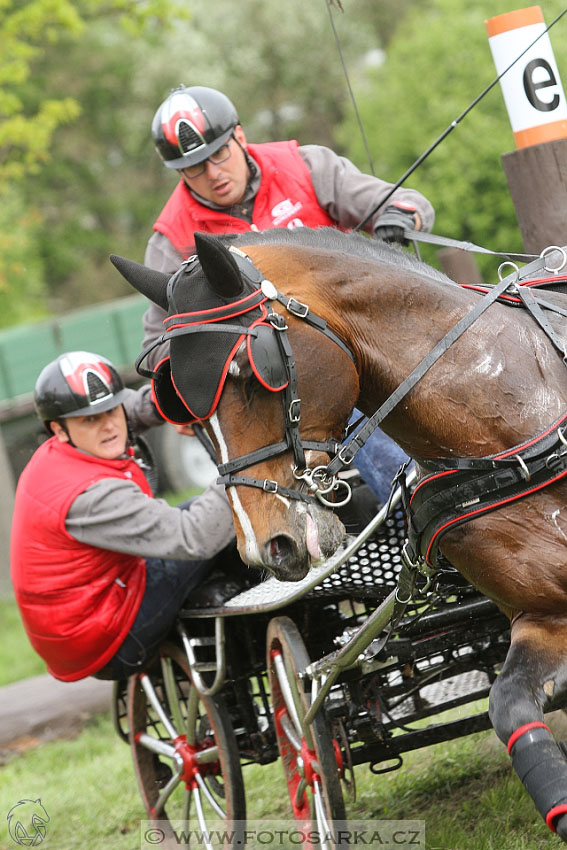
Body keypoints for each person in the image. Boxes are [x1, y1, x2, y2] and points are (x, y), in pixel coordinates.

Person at [142, 85, 428, 504]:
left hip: (371, 338)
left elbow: (403, 202)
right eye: (195, 168)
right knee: (371, 440)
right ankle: (421, 511)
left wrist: (397, 218)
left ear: (239, 136)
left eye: (219, 155)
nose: (213, 174)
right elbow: (156, 348)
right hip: (294, 388)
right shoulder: (172, 242)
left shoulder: (305, 165)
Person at [10, 351, 240, 683]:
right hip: (107, 637)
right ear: (59, 429)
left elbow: (126, 410)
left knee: (202, 508)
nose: (108, 425)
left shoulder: (62, 452)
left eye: (110, 410)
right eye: (90, 419)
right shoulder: (91, 496)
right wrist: (245, 465)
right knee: (216, 526)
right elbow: (194, 537)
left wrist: (174, 402)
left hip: (87, 612)